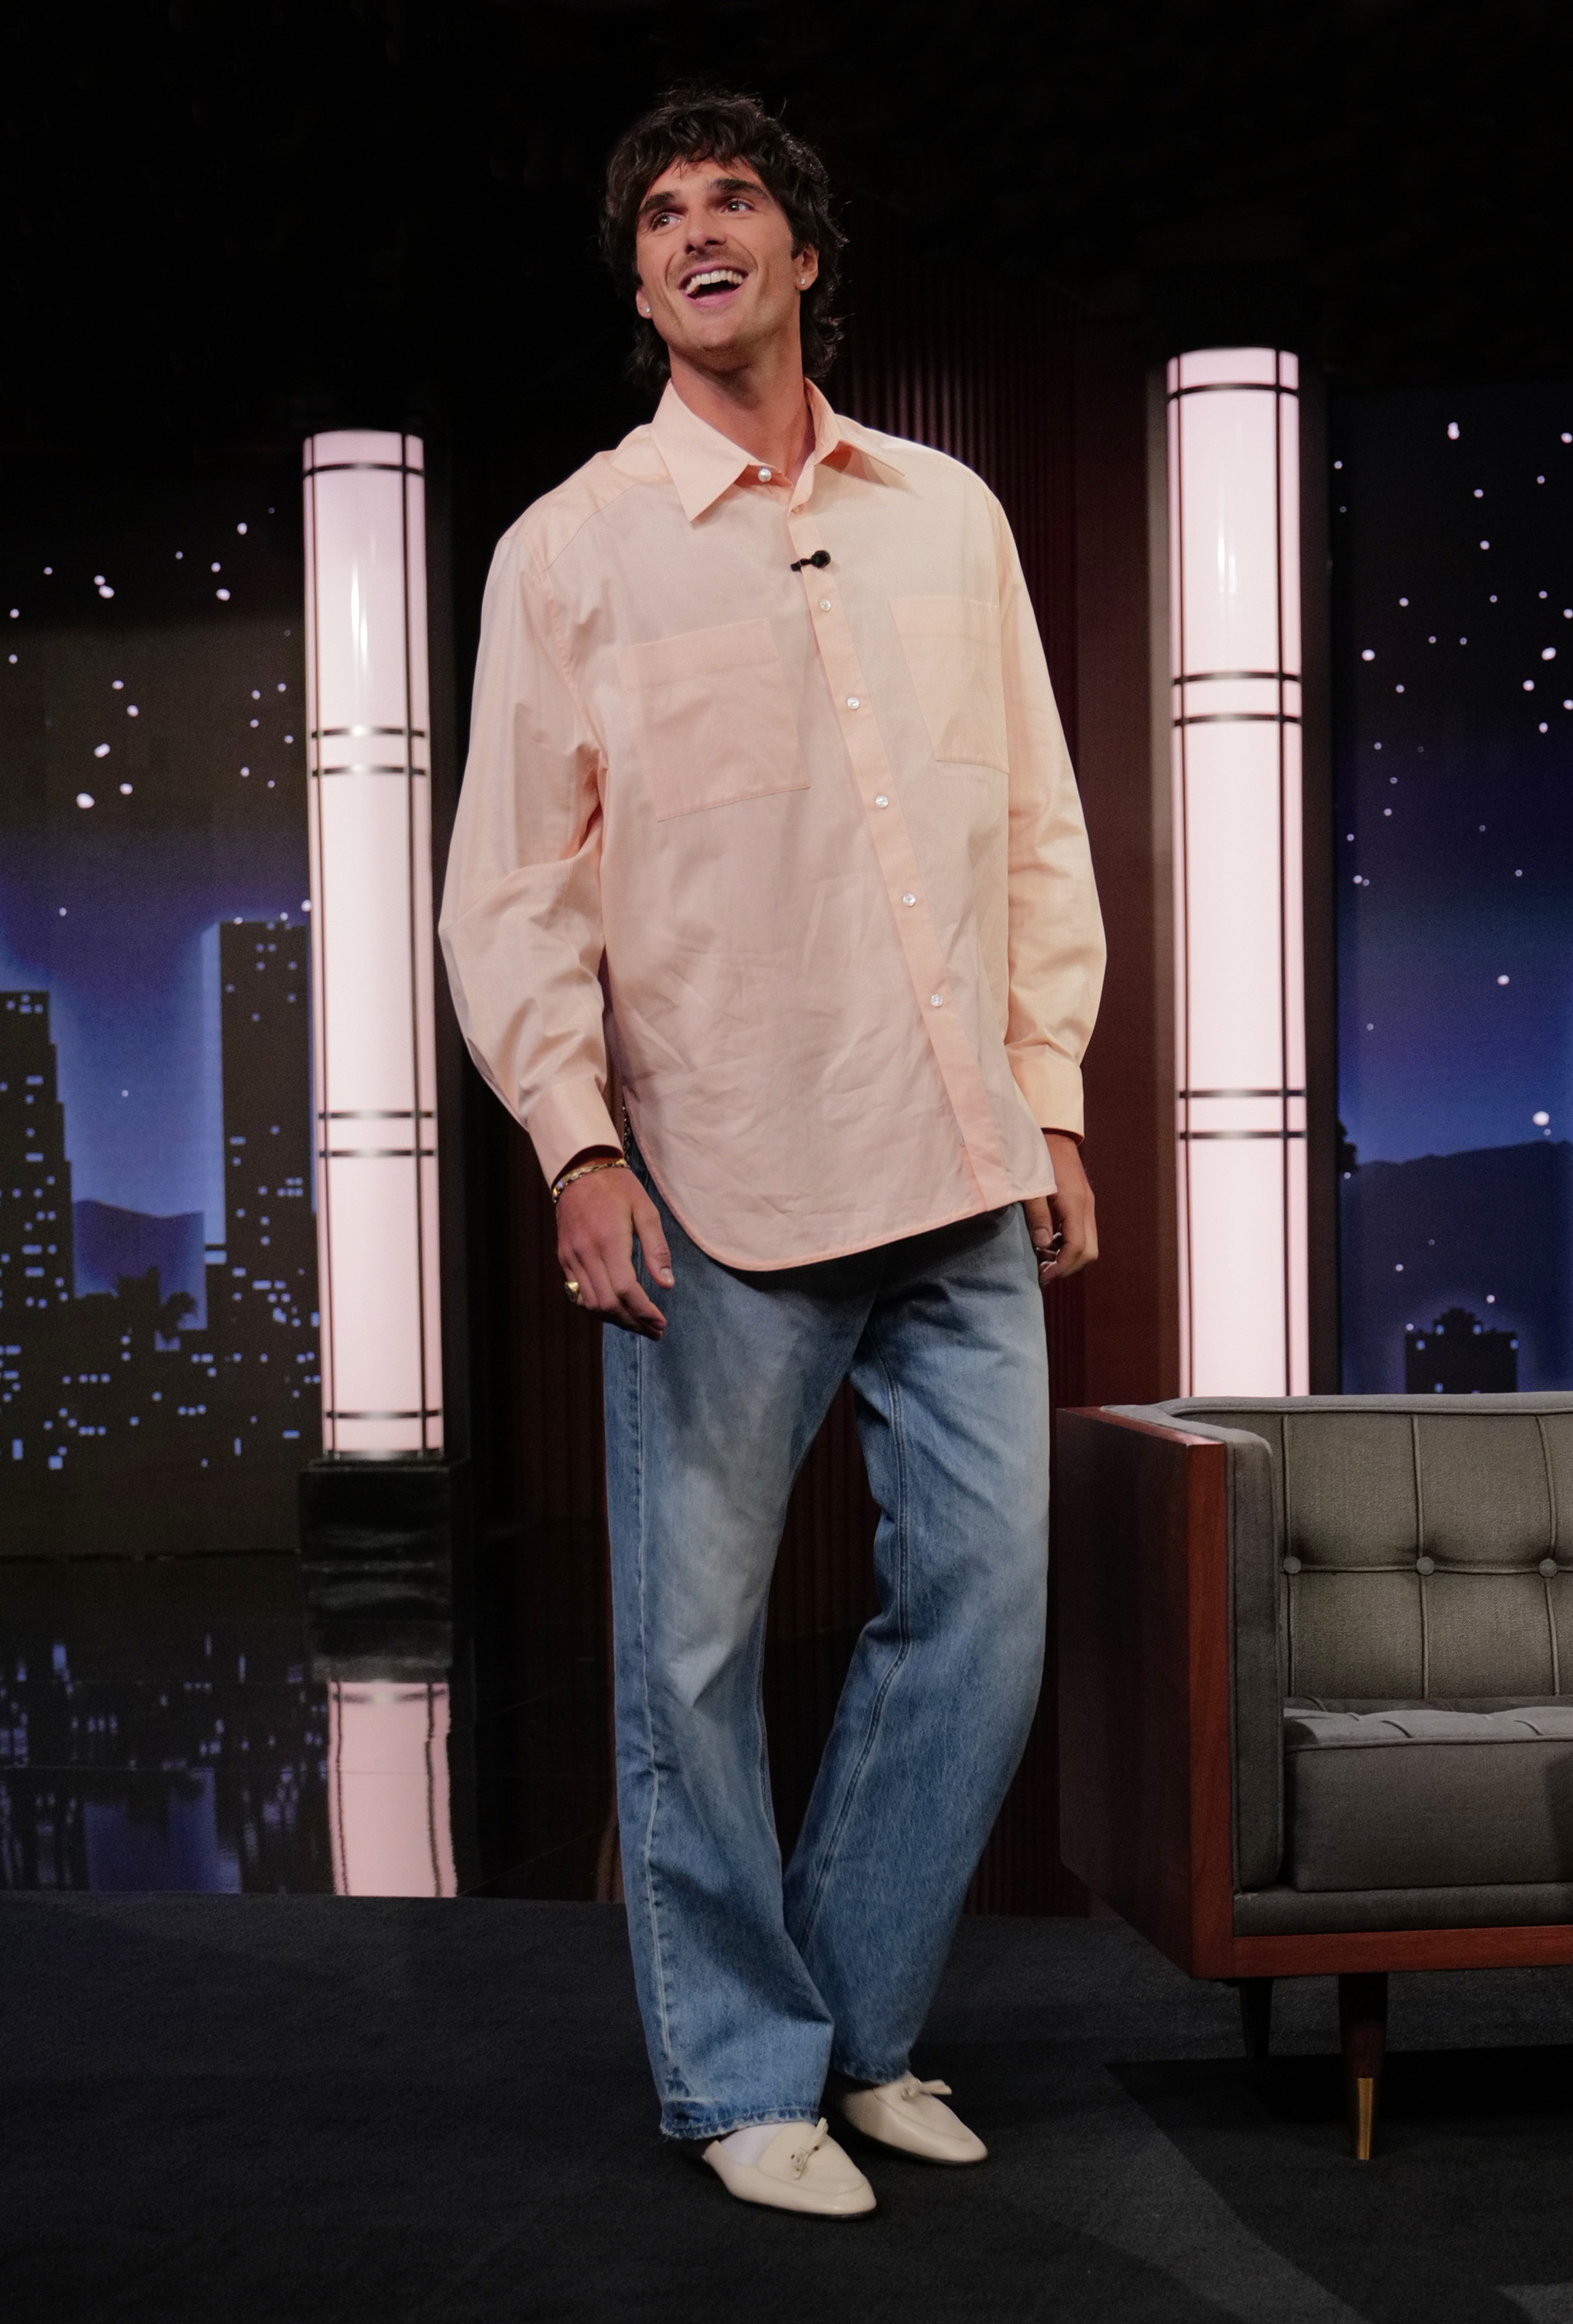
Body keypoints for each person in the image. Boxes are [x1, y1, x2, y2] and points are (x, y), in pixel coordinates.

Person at [440, 86, 1105, 2219]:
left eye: (733, 199)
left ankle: (859, 2029)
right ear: (642, 283)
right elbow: (511, 890)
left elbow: (1033, 823)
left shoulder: (949, 516)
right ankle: (744, 2075)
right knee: (692, 1664)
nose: (695, 230)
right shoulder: (573, 547)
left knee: (986, 1624)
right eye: (659, 213)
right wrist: (575, 1144)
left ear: (805, 255)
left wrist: (1049, 1090)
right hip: (718, 1182)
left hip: (958, 1161)